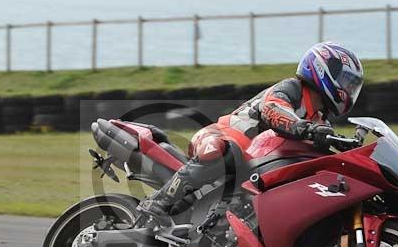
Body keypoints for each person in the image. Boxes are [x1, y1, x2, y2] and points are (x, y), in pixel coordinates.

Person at [137, 41, 365, 221]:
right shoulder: (293, 89)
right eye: (346, 81)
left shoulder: (319, 120)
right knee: (224, 152)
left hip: (254, 166)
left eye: (352, 85)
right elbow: (273, 109)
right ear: (322, 69)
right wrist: (305, 129)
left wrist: (342, 145)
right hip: (220, 137)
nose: (348, 89)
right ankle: (159, 201)